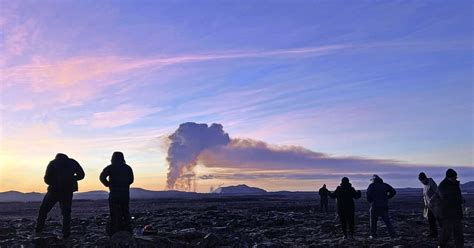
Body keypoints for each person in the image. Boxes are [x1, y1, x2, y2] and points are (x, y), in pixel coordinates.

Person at [35, 153, 85, 238]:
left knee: (43, 210)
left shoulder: (53, 163)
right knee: (66, 213)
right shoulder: (72, 162)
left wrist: (55, 183)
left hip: (54, 191)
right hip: (67, 191)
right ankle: (66, 233)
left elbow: (46, 179)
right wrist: (72, 179)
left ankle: (39, 229)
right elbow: (81, 175)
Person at [100, 152, 134, 235]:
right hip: (125, 194)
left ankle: (115, 231)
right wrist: (125, 184)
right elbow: (131, 180)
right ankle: (128, 230)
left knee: (114, 213)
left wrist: (108, 184)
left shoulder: (110, 167)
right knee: (125, 212)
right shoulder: (127, 168)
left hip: (114, 194)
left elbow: (102, 177)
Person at [438, 168, 464, 248]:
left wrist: (460, 200)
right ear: (449, 177)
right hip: (447, 213)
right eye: (454, 177)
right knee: (446, 232)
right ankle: (441, 245)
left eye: (456, 177)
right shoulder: (442, 186)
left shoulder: (454, 184)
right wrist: (459, 200)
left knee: (458, 232)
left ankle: (459, 246)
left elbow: (456, 196)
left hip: (456, 212)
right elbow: (446, 199)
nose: (455, 179)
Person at [366, 174, 397, 238]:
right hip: (384, 206)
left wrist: (370, 201)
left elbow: (368, 195)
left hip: (374, 206)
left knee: (373, 222)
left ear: (373, 180)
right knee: (387, 222)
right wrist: (388, 197)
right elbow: (393, 191)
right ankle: (393, 234)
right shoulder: (385, 185)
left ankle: (373, 235)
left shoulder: (371, 186)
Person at [418, 172, 442, 238]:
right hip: (429, 206)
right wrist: (426, 204)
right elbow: (424, 196)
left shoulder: (431, 183)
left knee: (440, 220)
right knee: (431, 221)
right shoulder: (425, 186)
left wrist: (433, 199)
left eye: (422, 181)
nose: (422, 182)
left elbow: (437, 192)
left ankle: (445, 233)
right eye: (421, 181)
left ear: (425, 179)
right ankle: (433, 233)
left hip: (436, 205)